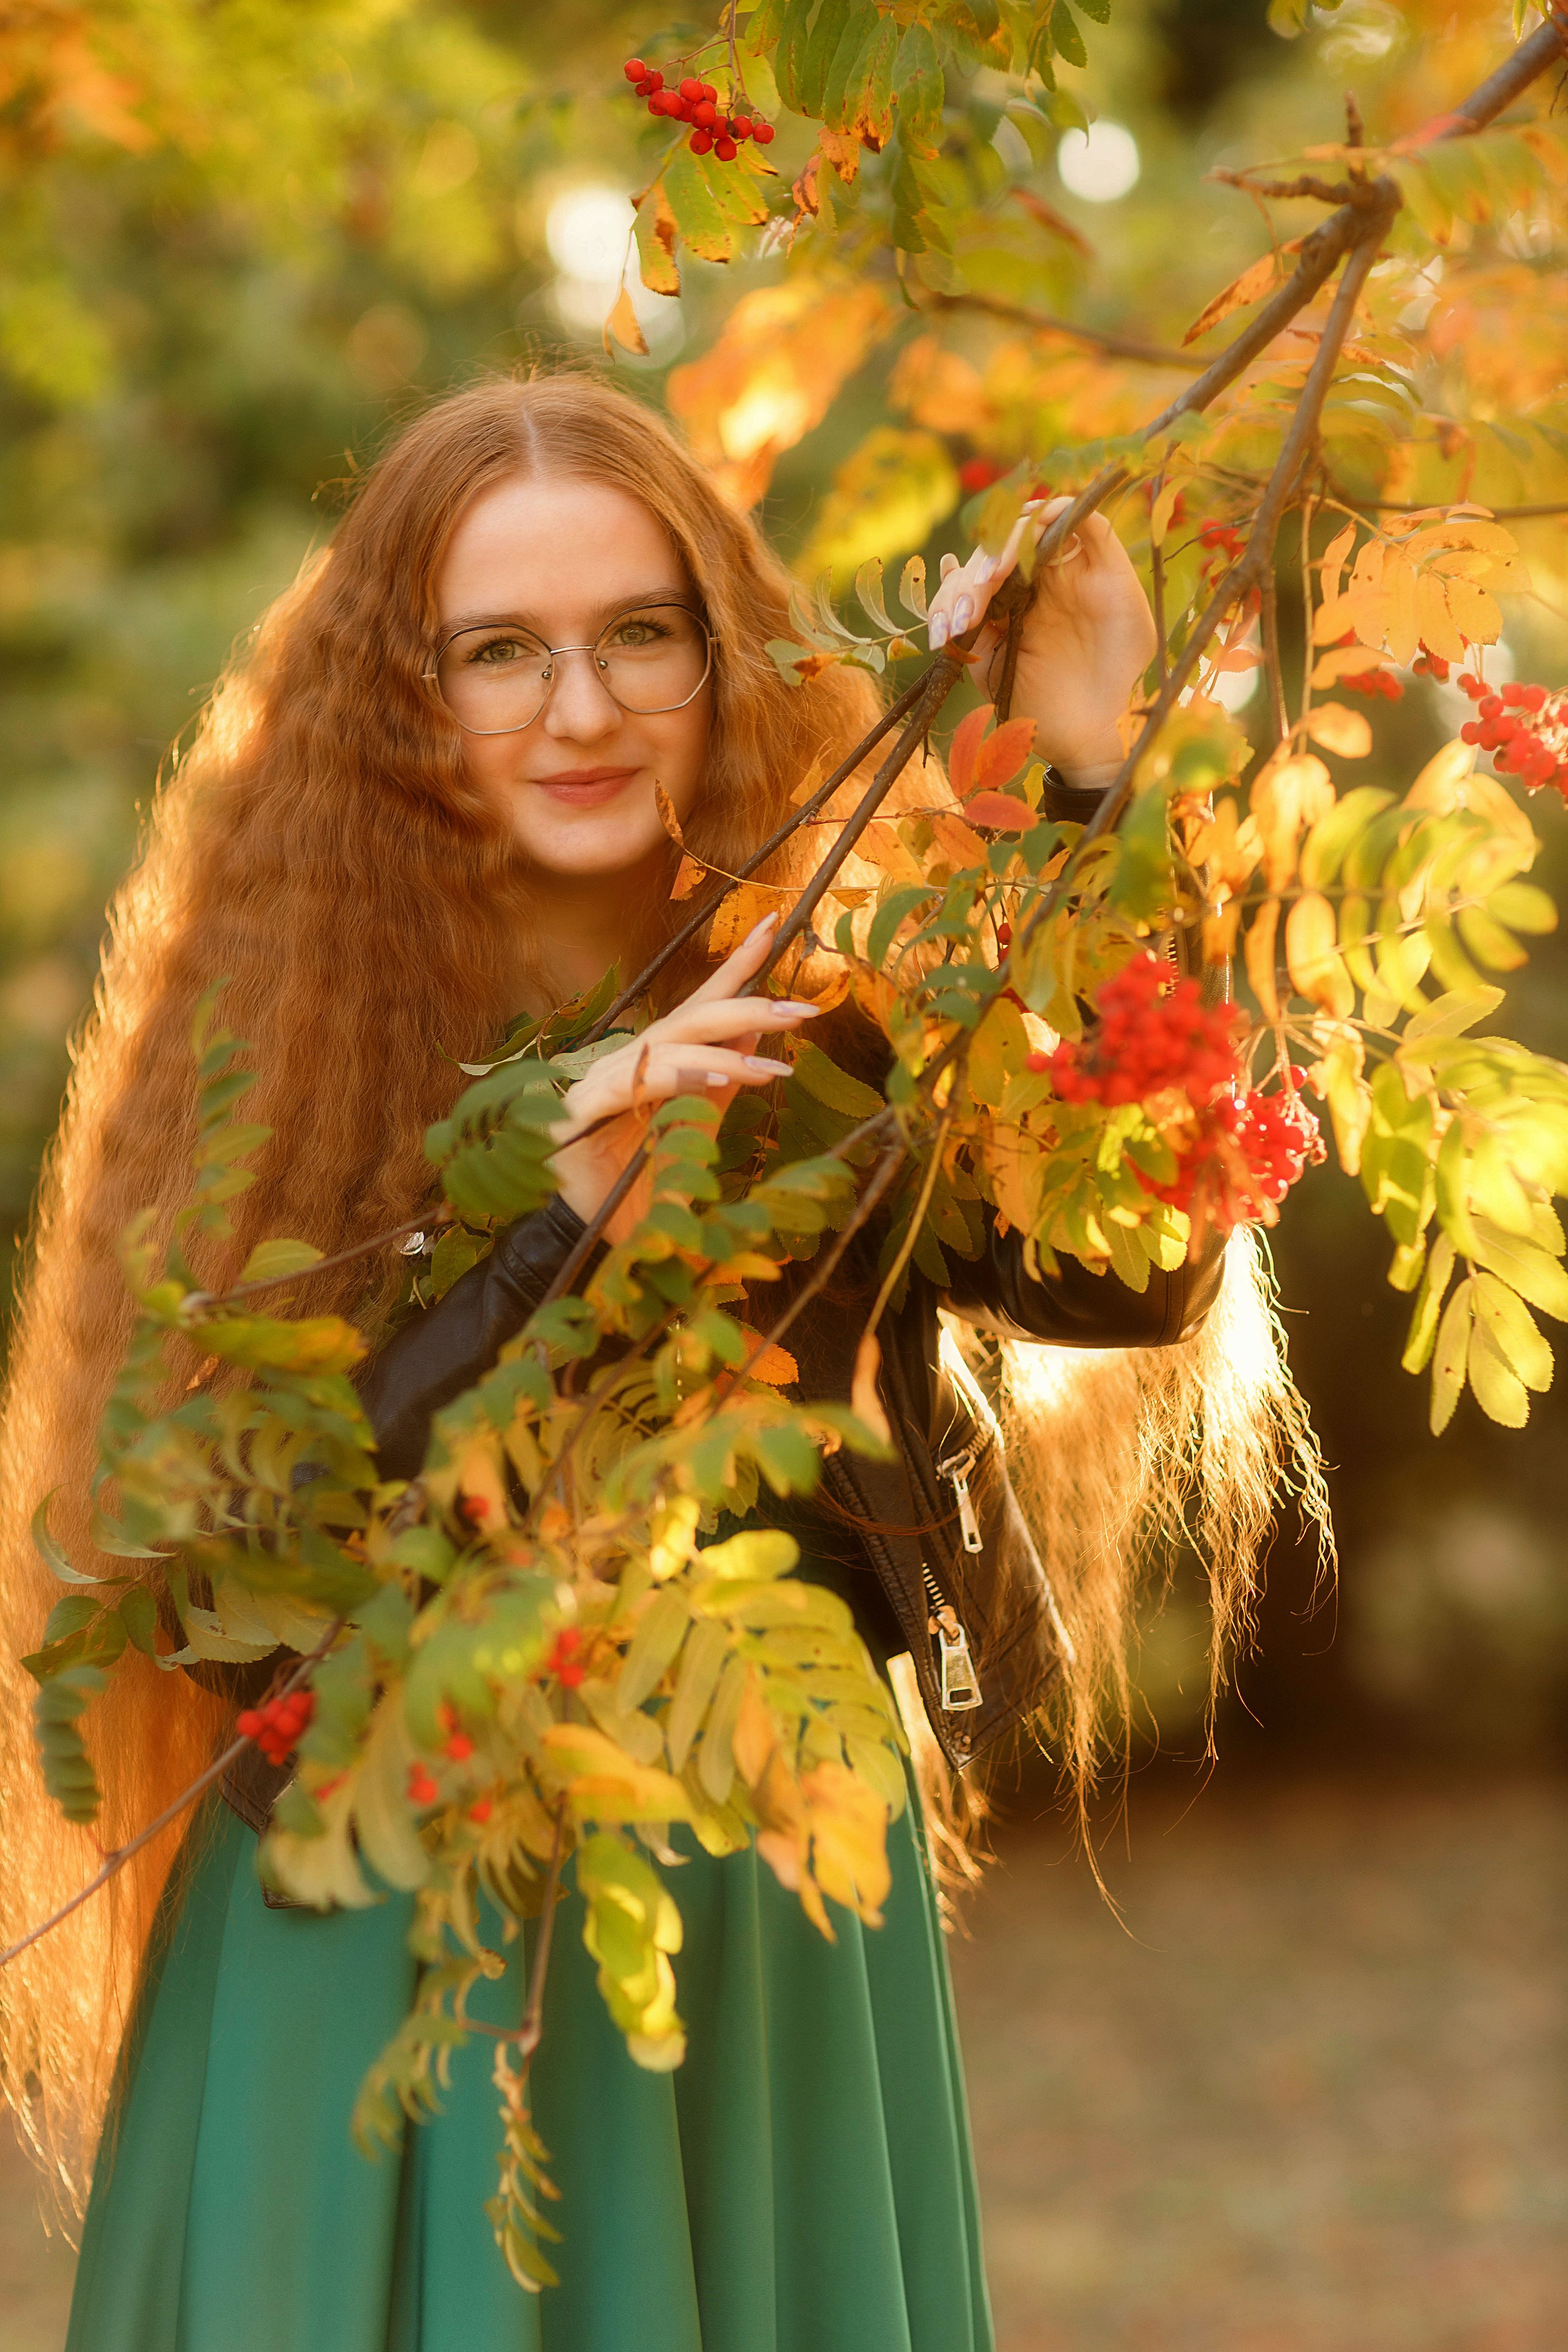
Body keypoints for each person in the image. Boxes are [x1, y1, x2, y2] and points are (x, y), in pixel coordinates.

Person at [1, 374, 1217, 2352]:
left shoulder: (845, 1012)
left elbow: (1126, 1269)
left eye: (637, 634)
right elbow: (213, 1594)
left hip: (757, 1880)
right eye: (500, 652)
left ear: (718, 652)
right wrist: (554, 1217)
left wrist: (1087, 771)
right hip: (385, 1906)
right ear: (403, 700)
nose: (580, 712)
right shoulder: (279, 1061)